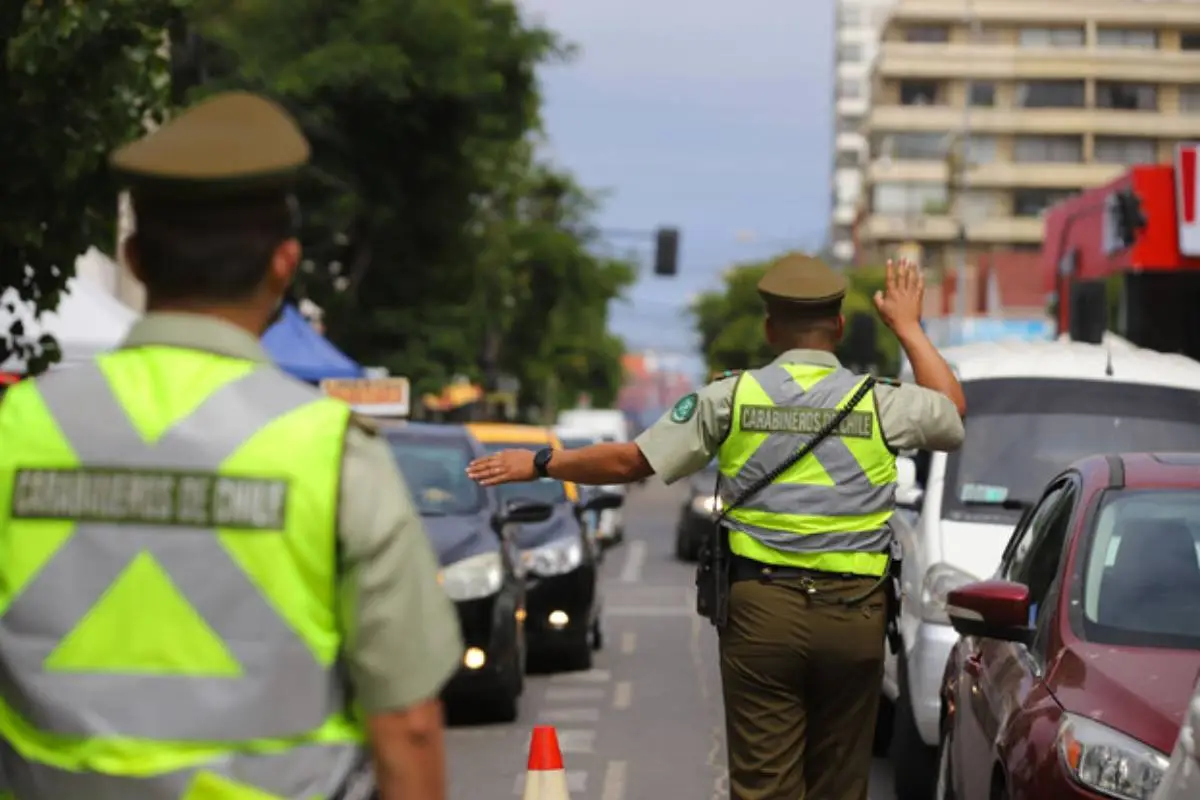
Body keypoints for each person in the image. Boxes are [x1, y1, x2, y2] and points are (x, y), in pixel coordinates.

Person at [0, 92, 463, 800]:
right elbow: (408, 724)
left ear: (135, 257)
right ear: (284, 264)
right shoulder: (331, 453)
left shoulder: (17, 430)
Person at [467, 253, 966, 800]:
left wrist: (541, 463)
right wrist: (909, 327)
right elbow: (951, 412)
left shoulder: (730, 397)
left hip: (762, 613)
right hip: (856, 615)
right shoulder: (880, 402)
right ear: (839, 327)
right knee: (840, 782)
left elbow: (632, 463)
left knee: (763, 784)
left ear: (770, 328)